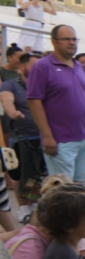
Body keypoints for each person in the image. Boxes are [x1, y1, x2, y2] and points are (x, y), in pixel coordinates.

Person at [26, 25, 85, 182]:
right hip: (61, 140)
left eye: (74, 39)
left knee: (78, 185)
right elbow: (34, 101)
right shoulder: (42, 66)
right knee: (63, 191)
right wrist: (47, 135)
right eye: (66, 39)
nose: (71, 42)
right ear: (54, 42)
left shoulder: (78, 66)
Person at [1, 51, 46, 212]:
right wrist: (12, 112)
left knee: (36, 177)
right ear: (22, 66)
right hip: (23, 137)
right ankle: (23, 208)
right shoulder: (11, 84)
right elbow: (6, 99)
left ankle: (31, 204)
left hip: (44, 136)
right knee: (24, 176)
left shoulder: (44, 85)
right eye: (34, 66)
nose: (38, 69)